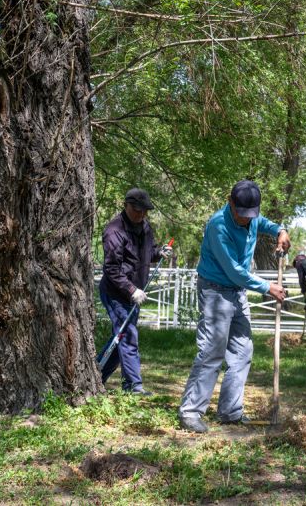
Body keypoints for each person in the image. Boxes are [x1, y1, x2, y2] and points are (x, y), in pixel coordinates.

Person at [178, 180, 290, 433]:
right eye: (242, 214)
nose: (246, 220)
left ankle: (230, 411)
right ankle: (190, 412)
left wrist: (280, 231)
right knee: (212, 351)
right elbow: (234, 270)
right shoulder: (219, 225)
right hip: (215, 291)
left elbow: (265, 224)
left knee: (242, 351)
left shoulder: (252, 217)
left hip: (237, 292)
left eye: (251, 214)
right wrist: (266, 287)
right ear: (231, 203)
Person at [99, 188, 172, 395]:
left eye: (144, 211)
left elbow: (147, 253)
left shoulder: (145, 227)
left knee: (120, 337)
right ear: (126, 205)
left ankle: (96, 376)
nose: (141, 215)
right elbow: (111, 269)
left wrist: (159, 252)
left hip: (134, 293)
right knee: (128, 336)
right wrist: (131, 290)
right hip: (117, 293)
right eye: (137, 210)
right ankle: (133, 387)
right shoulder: (114, 231)